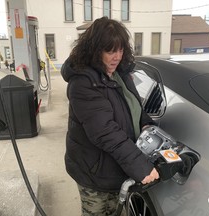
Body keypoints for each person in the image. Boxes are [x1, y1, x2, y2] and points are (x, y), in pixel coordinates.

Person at [61, 17, 159, 216]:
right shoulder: (83, 83)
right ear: (95, 50)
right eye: (110, 51)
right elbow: (105, 131)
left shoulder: (119, 75)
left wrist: (146, 125)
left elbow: (133, 108)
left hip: (116, 168)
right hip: (94, 172)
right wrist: (140, 166)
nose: (117, 57)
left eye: (121, 50)